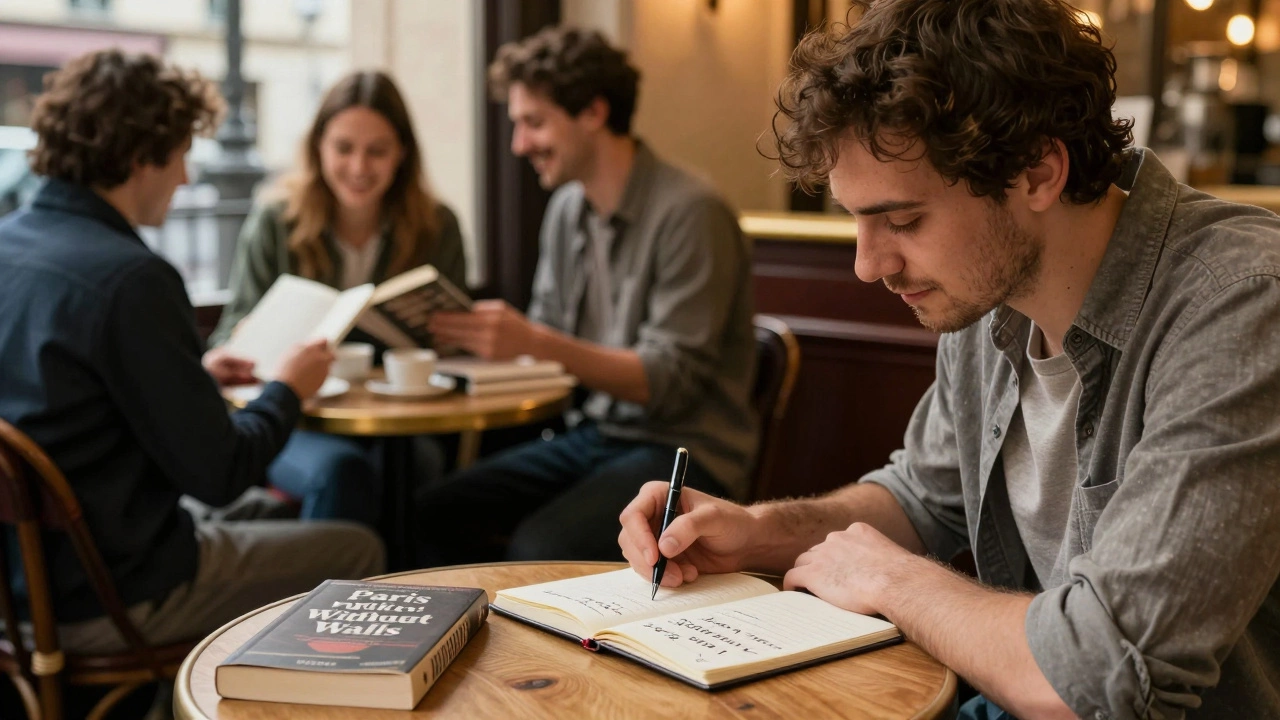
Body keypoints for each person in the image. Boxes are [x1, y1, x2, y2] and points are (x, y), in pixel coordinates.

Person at [617, 1, 1280, 718]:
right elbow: (923, 497)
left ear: (1037, 173)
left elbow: (1104, 673)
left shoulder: (1242, 304)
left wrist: (896, 583)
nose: (869, 266)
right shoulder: (986, 293)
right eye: (858, 222)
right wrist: (754, 532)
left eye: (903, 220)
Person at [0, 50, 384, 654]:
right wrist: (287, 388)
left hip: (22, 587)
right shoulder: (131, 279)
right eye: (180, 154)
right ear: (138, 157)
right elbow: (221, 475)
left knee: (284, 519)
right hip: (113, 593)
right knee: (358, 548)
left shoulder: (11, 244)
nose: (185, 177)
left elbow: (66, 394)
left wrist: (189, 374)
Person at [416, 27, 758, 564]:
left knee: (541, 544)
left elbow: (667, 382)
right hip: (594, 435)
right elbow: (545, 344)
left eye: (534, 122)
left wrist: (532, 339)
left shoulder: (692, 211)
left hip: (685, 451)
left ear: (594, 113)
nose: (519, 144)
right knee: (432, 509)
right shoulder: (567, 211)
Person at [210, 71, 467, 527]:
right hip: (302, 422)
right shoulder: (277, 221)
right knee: (343, 471)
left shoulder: (436, 225)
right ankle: (334, 597)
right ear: (318, 149)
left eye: (377, 151)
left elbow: (456, 344)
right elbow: (233, 331)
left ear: (402, 154)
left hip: (403, 422)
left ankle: (414, 596)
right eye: (343, 148)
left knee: (414, 468)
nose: (359, 167)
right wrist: (248, 338)